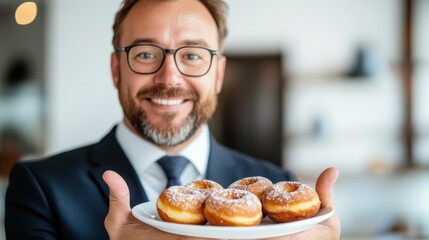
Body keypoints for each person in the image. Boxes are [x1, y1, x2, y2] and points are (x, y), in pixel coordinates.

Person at [5, 0, 341, 239]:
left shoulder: (275, 189)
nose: (170, 78)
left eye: (193, 55)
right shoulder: (41, 188)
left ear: (219, 74)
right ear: (115, 69)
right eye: (146, 54)